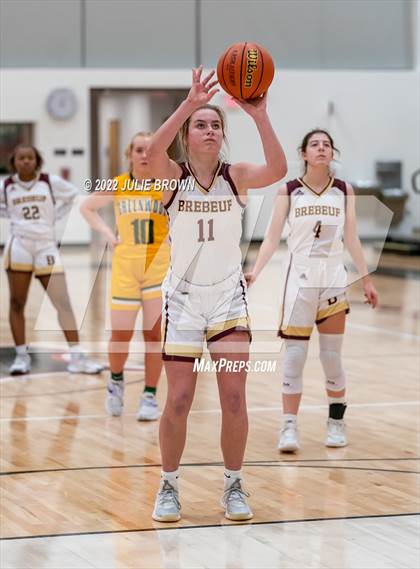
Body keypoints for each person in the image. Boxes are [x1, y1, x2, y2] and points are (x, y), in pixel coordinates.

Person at [147, 66, 287, 522]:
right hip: (184, 300)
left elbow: (280, 169)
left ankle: (234, 484)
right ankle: (168, 485)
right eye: (200, 125)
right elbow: (149, 152)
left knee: (233, 398)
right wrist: (188, 103)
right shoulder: (171, 177)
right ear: (188, 136)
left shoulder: (236, 176)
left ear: (223, 135)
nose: (209, 130)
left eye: (215, 124)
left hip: (227, 298)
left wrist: (259, 115)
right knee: (180, 400)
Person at [246, 129, 378, 452]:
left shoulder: (343, 191)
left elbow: (352, 238)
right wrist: (255, 271)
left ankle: (336, 422)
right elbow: (273, 238)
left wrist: (366, 279)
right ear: (304, 154)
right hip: (299, 281)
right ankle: (288, 427)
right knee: (294, 357)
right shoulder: (289, 191)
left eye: (327, 145)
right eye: (315, 145)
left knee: (332, 358)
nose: (321, 149)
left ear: (333, 154)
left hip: (333, 278)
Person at [80, 132, 170, 420]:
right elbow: (86, 207)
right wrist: (107, 233)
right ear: (129, 154)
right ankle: (116, 381)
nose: (145, 155)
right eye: (139, 150)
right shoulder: (118, 184)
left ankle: (150, 396)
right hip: (125, 266)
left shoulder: (168, 186)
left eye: (150, 150)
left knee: (154, 334)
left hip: (159, 266)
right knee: (121, 334)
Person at [1, 144, 104, 375]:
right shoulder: (6, 186)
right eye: (21, 158)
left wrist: (54, 217)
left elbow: (73, 197)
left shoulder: (50, 182)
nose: (25, 161)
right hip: (19, 246)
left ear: (36, 160)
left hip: (46, 246)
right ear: (14, 162)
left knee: (63, 302)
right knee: (17, 303)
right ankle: (21, 357)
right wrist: (13, 217)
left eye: (29, 158)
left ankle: (77, 356)